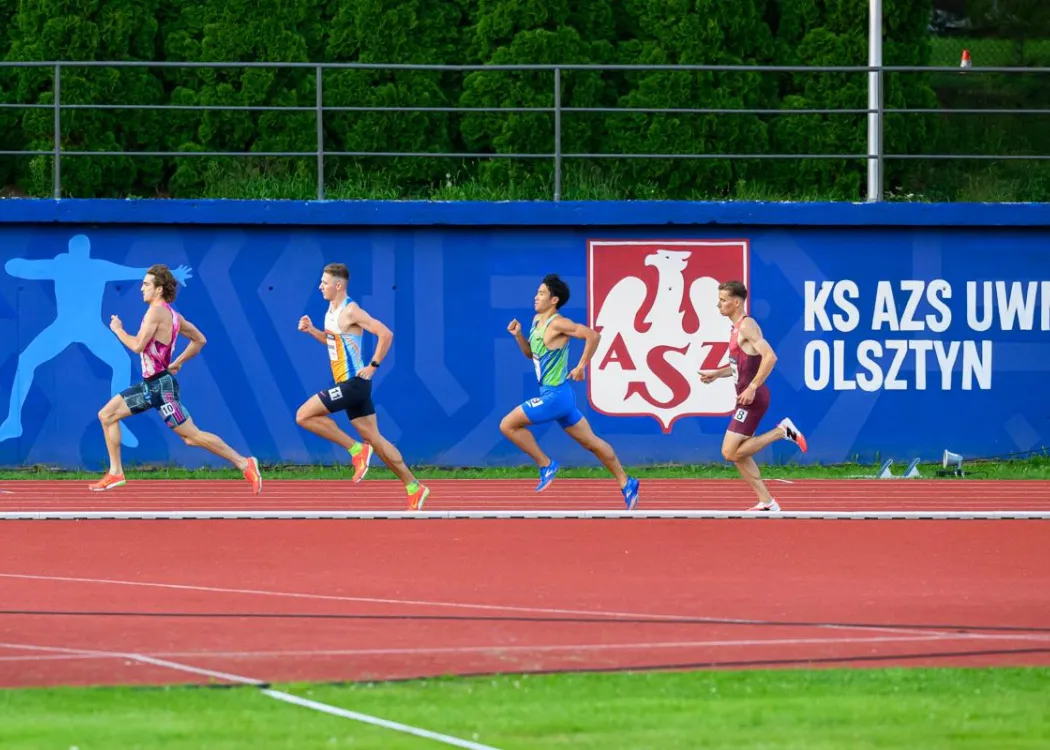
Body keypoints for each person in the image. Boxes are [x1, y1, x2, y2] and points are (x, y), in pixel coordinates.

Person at [92, 264, 262, 493]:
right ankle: (115, 473)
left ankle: (244, 463)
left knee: (192, 437)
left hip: (161, 388)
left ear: (159, 289)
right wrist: (178, 362)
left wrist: (118, 330)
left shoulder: (155, 312)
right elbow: (200, 340)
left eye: (146, 284)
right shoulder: (174, 316)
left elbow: (137, 345)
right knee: (107, 415)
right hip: (153, 385)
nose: (141, 288)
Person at [295, 262, 430, 510]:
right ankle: (414, 486)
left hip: (354, 384)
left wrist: (373, 366)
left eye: (324, 283)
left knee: (303, 415)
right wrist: (312, 330)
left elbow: (385, 334)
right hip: (351, 386)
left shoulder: (351, 310)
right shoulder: (330, 310)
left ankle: (356, 450)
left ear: (338, 285)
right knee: (376, 440)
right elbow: (334, 343)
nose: (320, 286)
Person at [501, 273, 640, 509]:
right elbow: (531, 355)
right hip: (559, 397)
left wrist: (581, 366)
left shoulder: (558, 323)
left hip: (555, 397)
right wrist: (518, 336)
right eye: (537, 292)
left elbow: (593, 336)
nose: (536, 297)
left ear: (554, 300)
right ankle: (626, 482)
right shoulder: (536, 321)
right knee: (591, 443)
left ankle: (546, 464)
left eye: (542, 293)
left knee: (507, 425)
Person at [699, 280, 807, 511]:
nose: (719, 305)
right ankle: (767, 501)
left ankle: (782, 431)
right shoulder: (736, 328)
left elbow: (770, 357)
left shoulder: (747, 325)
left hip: (752, 400)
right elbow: (741, 365)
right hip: (746, 397)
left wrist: (753, 386)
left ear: (737, 302)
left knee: (729, 452)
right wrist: (717, 374)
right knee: (739, 455)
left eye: (723, 300)